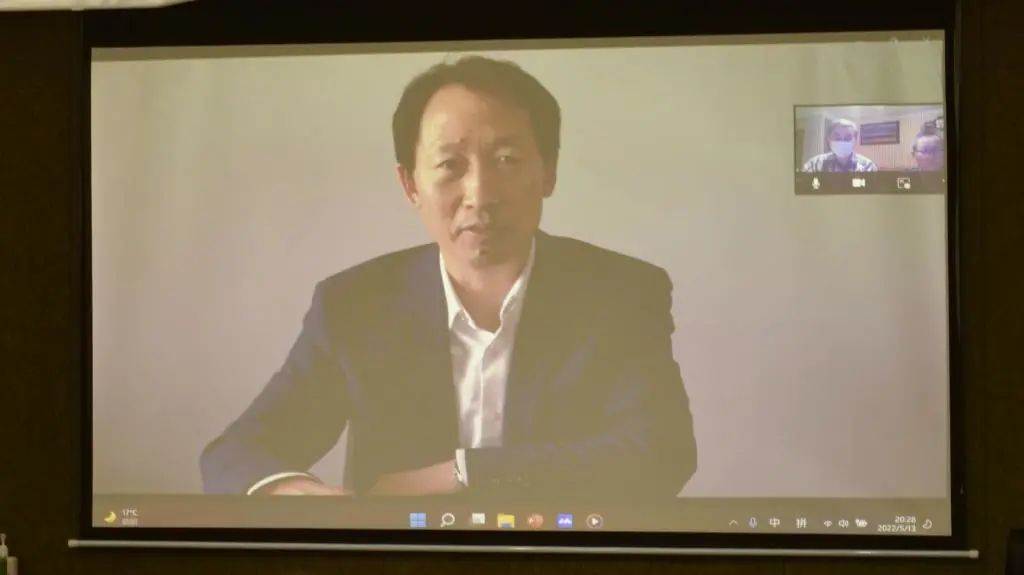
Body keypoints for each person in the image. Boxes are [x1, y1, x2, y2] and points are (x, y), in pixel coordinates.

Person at [199, 55, 697, 502]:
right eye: (450, 165)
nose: (480, 193)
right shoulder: (354, 304)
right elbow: (239, 452)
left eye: (506, 160)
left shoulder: (620, 293)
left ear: (548, 172)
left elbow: (660, 453)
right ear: (410, 184)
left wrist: (464, 472)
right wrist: (292, 491)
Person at [802, 118, 879, 173]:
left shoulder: (868, 166)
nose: (842, 141)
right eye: (837, 137)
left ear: (855, 141)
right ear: (828, 139)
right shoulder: (814, 164)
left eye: (848, 137)